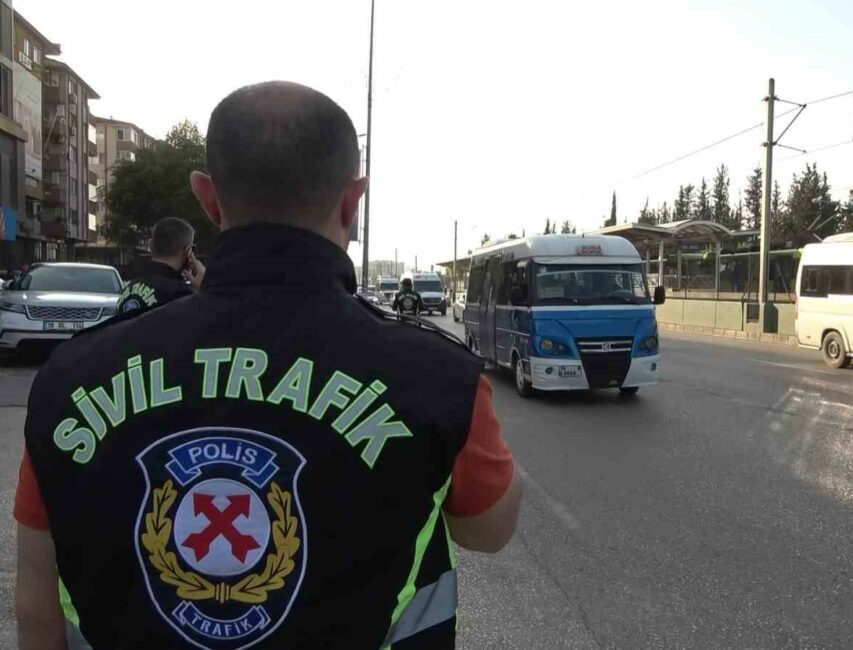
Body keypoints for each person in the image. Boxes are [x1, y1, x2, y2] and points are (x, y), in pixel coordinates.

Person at [14, 81, 521, 649]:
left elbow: (36, 610)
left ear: (208, 198)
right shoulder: (438, 379)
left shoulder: (71, 379)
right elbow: (490, 530)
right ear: (353, 201)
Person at [117, 217, 206, 314]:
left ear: (151, 245)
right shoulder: (182, 294)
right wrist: (205, 288)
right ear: (188, 250)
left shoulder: (128, 290)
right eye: (192, 248)